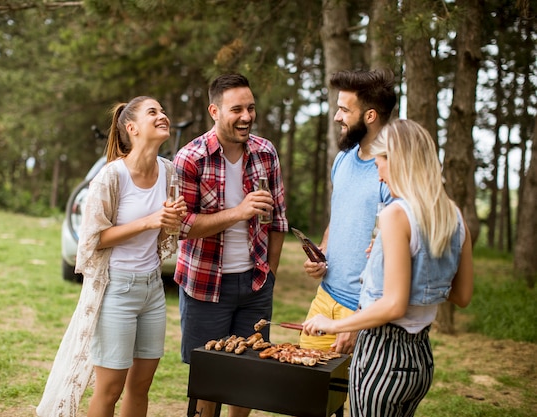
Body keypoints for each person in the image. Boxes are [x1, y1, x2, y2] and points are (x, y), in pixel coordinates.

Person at [302, 119, 474, 416]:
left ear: (397, 160)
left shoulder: (396, 214)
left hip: (381, 359)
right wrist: (397, 267)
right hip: (420, 360)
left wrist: (333, 325)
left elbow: (393, 305)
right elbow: (462, 296)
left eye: (380, 161)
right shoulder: (453, 215)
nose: (379, 175)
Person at [36, 96, 187, 417]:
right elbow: (93, 239)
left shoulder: (169, 172)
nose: (163, 116)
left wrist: (172, 222)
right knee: (110, 388)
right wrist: (149, 221)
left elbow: (166, 231)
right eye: (153, 112)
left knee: (140, 386)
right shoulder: (110, 176)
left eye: (162, 111)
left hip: (153, 290)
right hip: (116, 290)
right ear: (131, 128)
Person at [173, 73, 288, 417]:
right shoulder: (191, 158)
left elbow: (278, 221)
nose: (247, 116)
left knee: (248, 377)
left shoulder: (265, 152)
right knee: (208, 382)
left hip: (255, 284)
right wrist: (238, 212)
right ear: (214, 110)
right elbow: (183, 226)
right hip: (206, 286)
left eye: (250, 108)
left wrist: (270, 277)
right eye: (237, 109)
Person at [299, 68, 397, 354]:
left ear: (370, 116)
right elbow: (339, 217)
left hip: (363, 311)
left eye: (344, 109)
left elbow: (395, 252)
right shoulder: (342, 160)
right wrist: (323, 253)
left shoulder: (392, 172)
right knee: (307, 392)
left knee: (359, 397)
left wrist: (358, 320)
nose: (337, 117)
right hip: (325, 298)